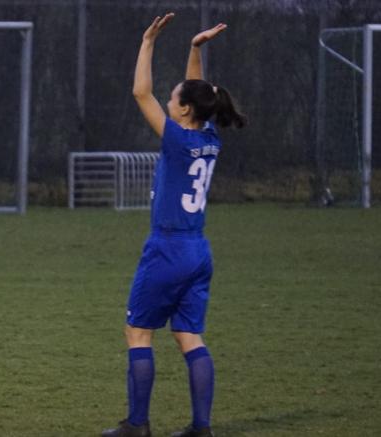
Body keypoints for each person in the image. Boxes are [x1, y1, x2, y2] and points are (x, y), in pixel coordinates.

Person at [100, 15, 246, 437]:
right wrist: (195, 49)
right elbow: (200, 94)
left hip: (167, 249)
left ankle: (137, 425)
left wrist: (147, 41)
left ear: (183, 110)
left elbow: (138, 91)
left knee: (138, 332)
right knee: (189, 337)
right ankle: (201, 428)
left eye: (174, 96)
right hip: (199, 251)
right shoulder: (209, 138)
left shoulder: (177, 139)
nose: (167, 99)